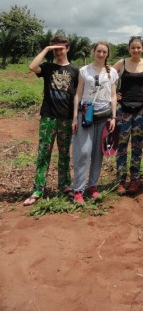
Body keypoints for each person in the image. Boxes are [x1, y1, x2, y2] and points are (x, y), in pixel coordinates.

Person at [23, 35, 79, 206]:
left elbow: (77, 95)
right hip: (48, 117)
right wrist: (47, 49)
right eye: (55, 49)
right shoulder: (48, 67)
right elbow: (32, 66)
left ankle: (65, 185)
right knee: (43, 154)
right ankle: (38, 189)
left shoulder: (75, 71)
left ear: (68, 48)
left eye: (61, 48)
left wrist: (76, 117)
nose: (58, 51)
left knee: (64, 155)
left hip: (66, 119)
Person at [72, 42, 118, 205]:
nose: (101, 54)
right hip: (86, 114)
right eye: (98, 51)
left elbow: (113, 95)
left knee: (98, 153)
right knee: (83, 152)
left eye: (104, 52)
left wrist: (113, 117)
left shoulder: (112, 72)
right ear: (93, 52)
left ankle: (92, 186)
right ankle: (78, 190)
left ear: (107, 54)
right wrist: (75, 118)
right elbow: (78, 94)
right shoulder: (84, 71)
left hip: (104, 115)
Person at [113, 36, 143, 195]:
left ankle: (134, 179)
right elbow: (106, 76)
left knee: (137, 146)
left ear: (142, 48)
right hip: (124, 110)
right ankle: (121, 180)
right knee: (121, 146)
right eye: (133, 47)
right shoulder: (121, 63)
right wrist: (114, 92)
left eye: (138, 47)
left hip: (141, 111)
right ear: (128, 49)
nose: (136, 50)